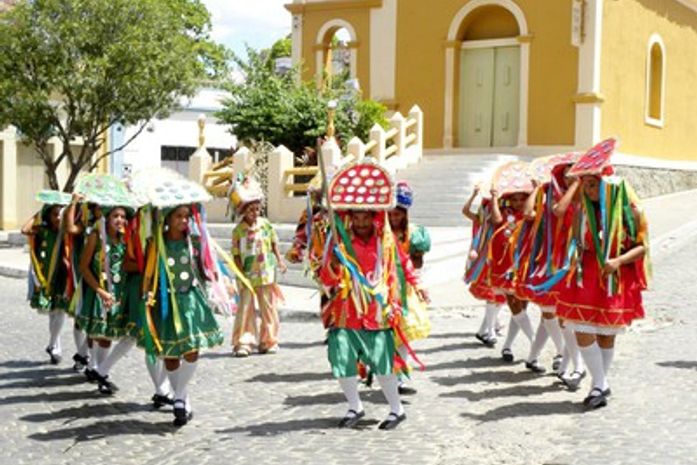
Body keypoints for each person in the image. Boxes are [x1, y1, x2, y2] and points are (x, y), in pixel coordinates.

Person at [319, 160, 424, 430]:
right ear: (350, 217)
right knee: (341, 355)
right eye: (357, 216)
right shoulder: (340, 244)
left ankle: (396, 409)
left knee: (383, 361)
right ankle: (355, 406)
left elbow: (402, 266)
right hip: (347, 310)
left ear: (375, 216)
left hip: (378, 311)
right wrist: (332, 265)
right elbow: (326, 278)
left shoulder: (385, 242)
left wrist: (415, 287)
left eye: (367, 216)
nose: (362, 221)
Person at [557, 139, 649, 409]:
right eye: (585, 184)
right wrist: (578, 245)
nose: (587, 189)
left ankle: (599, 385)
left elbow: (643, 248)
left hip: (613, 278)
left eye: (591, 183)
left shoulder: (631, 212)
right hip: (586, 277)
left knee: (606, 335)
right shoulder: (582, 211)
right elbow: (575, 241)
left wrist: (618, 260)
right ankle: (601, 384)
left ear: (607, 183)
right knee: (582, 329)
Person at [142, 204, 224, 426]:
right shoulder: (156, 243)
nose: (184, 221)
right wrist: (147, 297)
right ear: (168, 218)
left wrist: (217, 279)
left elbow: (204, 268)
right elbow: (148, 274)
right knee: (170, 354)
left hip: (190, 300)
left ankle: (178, 395)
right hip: (165, 302)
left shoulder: (195, 242)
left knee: (191, 350)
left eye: (187, 216)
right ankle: (183, 399)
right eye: (179, 216)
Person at [76, 205, 136, 395]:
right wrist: (100, 291)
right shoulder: (96, 236)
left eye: (123, 216)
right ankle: (101, 373)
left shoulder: (125, 238)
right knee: (101, 335)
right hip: (100, 293)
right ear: (107, 217)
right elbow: (84, 267)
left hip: (119, 293)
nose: (120, 220)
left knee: (108, 336)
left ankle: (100, 370)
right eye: (115, 216)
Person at [231, 177, 287, 357]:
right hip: (247, 275)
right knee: (245, 308)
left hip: (266, 273)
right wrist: (240, 273)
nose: (254, 213)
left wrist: (279, 260)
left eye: (257, 209)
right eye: (250, 209)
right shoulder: (238, 231)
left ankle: (268, 340)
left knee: (268, 308)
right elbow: (236, 255)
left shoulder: (266, 225)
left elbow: (273, 244)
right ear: (243, 211)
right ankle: (243, 342)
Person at [488, 163, 535, 363]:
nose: (517, 202)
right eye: (514, 199)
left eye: (521, 198)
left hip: (523, 264)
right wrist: (494, 198)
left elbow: (528, 212)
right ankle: (535, 342)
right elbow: (496, 219)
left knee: (521, 307)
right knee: (514, 304)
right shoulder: (505, 213)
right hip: (504, 265)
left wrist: (535, 191)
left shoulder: (530, 214)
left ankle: (507, 346)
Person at [388, 181, 431, 395]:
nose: (394, 218)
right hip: (383, 288)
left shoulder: (414, 234)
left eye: (398, 214)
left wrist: (418, 285)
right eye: (391, 214)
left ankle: (399, 376)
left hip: (406, 290)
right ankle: (385, 371)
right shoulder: (380, 233)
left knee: (404, 332)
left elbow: (417, 263)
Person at [22, 194, 71, 364]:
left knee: (61, 311)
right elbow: (25, 230)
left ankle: (53, 344)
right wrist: (39, 213)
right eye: (54, 214)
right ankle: (55, 345)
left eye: (60, 214)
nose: (57, 218)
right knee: (53, 312)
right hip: (46, 276)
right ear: (48, 215)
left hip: (63, 275)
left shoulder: (66, 231)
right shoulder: (43, 230)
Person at [463, 185, 506, 347]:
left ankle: (487, 328)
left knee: (500, 297)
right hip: (486, 258)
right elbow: (466, 211)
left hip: (500, 256)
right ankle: (490, 330)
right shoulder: (484, 220)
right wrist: (474, 195)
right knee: (492, 295)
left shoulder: (505, 212)